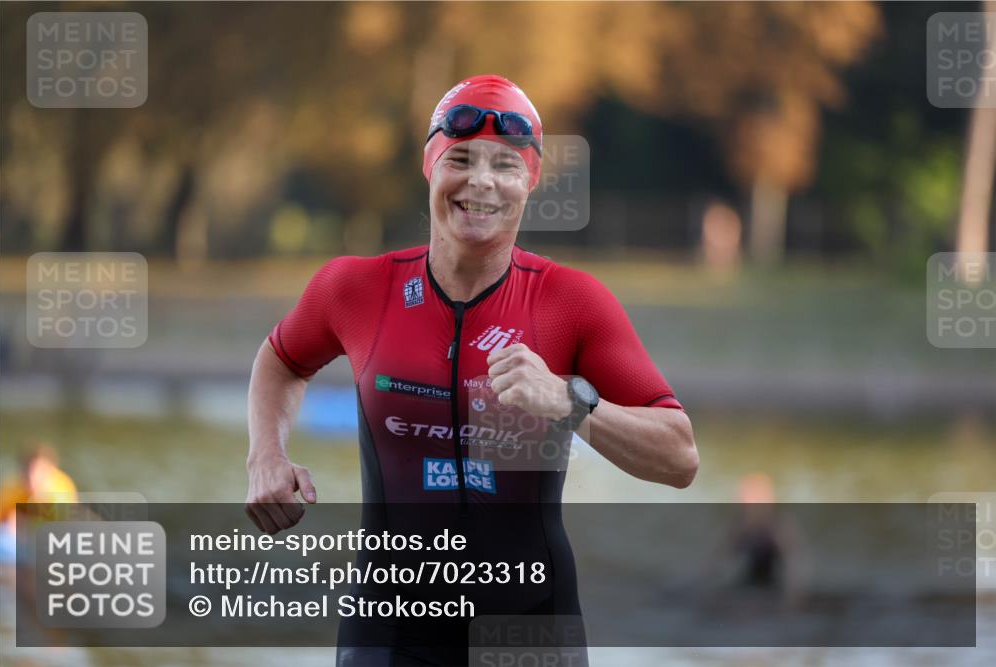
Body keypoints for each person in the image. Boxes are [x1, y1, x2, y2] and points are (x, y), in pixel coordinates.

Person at [246, 74, 699, 665]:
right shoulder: (356, 289)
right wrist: (266, 454)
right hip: (389, 630)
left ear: (530, 182)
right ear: (430, 165)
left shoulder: (572, 303)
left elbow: (680, 459)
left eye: (506, 165)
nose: (481, 182)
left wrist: (569, 402)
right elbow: (281, 360)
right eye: (460, 158)